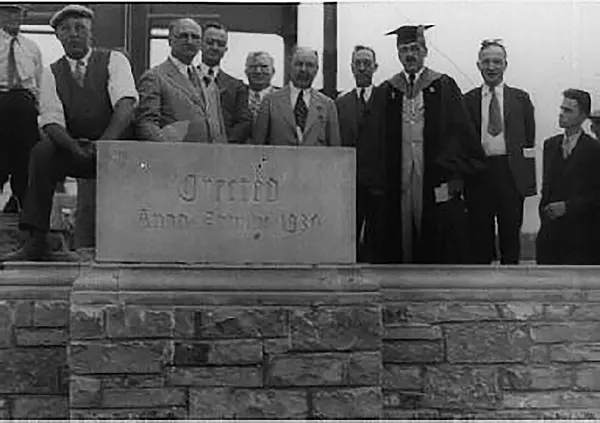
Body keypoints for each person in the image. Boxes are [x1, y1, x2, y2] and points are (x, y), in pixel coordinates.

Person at [3, 4, 138, 262]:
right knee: (42, 152)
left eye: (79, 28)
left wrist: (106, 143)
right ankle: (37, 241)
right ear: (58, 37)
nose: (73, 34)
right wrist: (73, 147)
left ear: (91, 33)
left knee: (141, 155)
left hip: (116, 147)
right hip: (76, 147)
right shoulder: (50, 72)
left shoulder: (114, 60)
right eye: (65, 30)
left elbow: (126, 104)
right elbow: (51, 120)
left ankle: (137, 242)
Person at [364, 24, 484, 264]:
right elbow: (372, 140)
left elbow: (461, 133)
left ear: (425, 51)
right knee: (400, 231)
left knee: (431, 229)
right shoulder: (387, 90)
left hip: (432, 171)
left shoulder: (443, 86)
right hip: (398, 173)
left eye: (415, 48)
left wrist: (455, 175)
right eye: (404, 49)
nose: (409, 54)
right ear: (398, 54)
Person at [464, 39, 537, 265]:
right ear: (478, 65)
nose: (491, 67)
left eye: (497, 61)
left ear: (505, 64)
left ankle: (510, 290)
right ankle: (480, 294)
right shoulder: (468, 100)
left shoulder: (521, 99)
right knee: (479, 237)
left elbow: (528, 140)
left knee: (510, 235)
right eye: (486, 62)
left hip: (510, 174)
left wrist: (526, 181)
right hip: (479, 174)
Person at [536, 89, 600, 265]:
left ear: (583, 116)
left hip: (581, 237)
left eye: (568, 110)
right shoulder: (550, 145)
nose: (561, 114)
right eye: (561, 108)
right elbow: (547, 186)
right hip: (550, 234)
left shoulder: (594, 150)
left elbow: (595, 194)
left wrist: (568, 207)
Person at [335, 45, 381, 262]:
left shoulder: (385, 99)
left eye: (367, 64)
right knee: (347, 237)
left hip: (378, 185)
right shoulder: (340, 104)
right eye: (358, 64)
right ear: (352, 67)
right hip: (349, 184)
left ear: (375, 67)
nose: (362, 68)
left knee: (376, 240)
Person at [136, 18, 209, 143]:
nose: (189, 41)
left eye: (195, 37)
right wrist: (167, 153)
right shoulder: (154, 77)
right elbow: (146, 124)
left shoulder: (204, 79)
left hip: (204, 156)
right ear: (170, 41)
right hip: (174, 157)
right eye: (183, 36)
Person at [252, 46, 341, 146]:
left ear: (316, 70)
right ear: (290, 66)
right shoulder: (270, 102)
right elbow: (258, 147)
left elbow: (335, 150)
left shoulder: (328, 105)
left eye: (309, 65)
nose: (303, 69)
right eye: (299, 64)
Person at [0, 4, 42, 214]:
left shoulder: (32, 47)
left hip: (25, 108)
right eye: (7, 11)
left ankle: (24, 217)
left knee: (25, 165)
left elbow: (39, 84)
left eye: (18, 12)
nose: (13, 17)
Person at [199, 21, 251, 144]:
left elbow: (244, 122)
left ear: (226, 49)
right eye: (210, 42)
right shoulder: (185, 80)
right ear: (200, 44)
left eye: (220, 44)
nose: (215, 47)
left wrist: (225, 147)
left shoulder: (237, 87)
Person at [245, 51, 278, 122]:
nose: (258, 71)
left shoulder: (283, 98)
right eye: (253, 67)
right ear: (246, 71)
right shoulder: (235, 96)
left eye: (264, 67)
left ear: (273, 71)